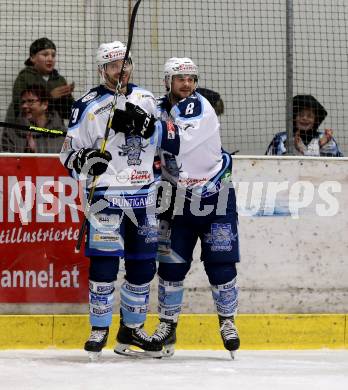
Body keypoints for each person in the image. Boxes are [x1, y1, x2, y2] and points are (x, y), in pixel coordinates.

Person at [59, 41, 180, 360]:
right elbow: (66, 154)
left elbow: (173, 140)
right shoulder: (86, 105)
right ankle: (98, 328)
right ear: (102, 70)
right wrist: (84, 160)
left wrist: (149, 127)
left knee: (142, 267)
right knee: (104, 264)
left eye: (125, 64)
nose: (120, 70)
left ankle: (133, 329)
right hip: (106, 198)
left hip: (144, 198)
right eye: (113, 66)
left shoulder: (147, 100)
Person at [151, 58, 240, 359]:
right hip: (174, 200)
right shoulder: (156, 107)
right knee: (171, 266)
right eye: (180, 78)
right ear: (167, 81)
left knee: (221, 264)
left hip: (215, 196)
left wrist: (149, 128)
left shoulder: (199, 105)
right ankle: (167, 325)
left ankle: (227, 322)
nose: (187, 84)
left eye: (191, 78)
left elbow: (179, 140)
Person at [5, 37, 74, 128]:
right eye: (45, 55)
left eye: (53, 55)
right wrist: (50, 97)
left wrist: (69, 101)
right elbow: (19, 108)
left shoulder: (59, 80)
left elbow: (68, 114)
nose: (50, 59)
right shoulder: (24, 78)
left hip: (54, 132)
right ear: (33, 58)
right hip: (29, 131)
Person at [266, 95, 343, 157]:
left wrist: (324, 146)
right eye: (301, 115)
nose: (305, 118)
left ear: (315, 120)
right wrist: (292, 147)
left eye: (309, 116)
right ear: (294, 118)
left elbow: (335, 165)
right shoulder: (281, 138)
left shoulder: (324, 138)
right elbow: (272, 164)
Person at [1, 84, 65, 153]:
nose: (24, 106)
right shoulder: (11, 133)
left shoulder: (63, 135)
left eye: (30, 101)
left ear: (45, 104)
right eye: (23, 102)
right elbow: (7, 161)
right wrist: (27, 155)